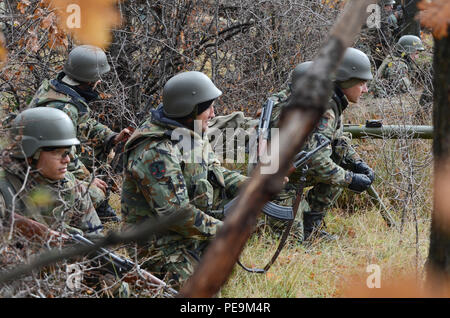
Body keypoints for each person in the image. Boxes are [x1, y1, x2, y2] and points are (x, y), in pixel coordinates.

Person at [120, 71, 248, 289]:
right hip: (156, 244)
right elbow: (176, 214)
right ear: (189, 110)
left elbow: (214, 172)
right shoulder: (156, 150)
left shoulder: (190, 132)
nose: (213, 113)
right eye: (207, 107)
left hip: (186, 234)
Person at [270, 48, 375, 242]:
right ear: (347, 80)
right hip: (276, 177)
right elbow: (317, 161)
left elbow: (337, 142)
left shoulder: (332, 101)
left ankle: (312, 227)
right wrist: (351, 179)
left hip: (294, 168)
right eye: (362, 83)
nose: (365, 89)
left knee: (341, 163)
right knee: (291, 245)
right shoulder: (324, 107)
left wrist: (358, 164)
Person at [27, 45, 131, 222]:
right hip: (40, 172)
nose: (100, 81)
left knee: (96, 153)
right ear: (91, 80)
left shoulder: (59, 89)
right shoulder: (64, 109)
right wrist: (89, 180)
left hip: (42, 162)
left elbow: (85, 123)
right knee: (95, 192)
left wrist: (111, 136)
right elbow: (64, 155)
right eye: (98, 78)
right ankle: (91, 210)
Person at [0, 107, 103, 239]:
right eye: (58, 153)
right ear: (31, 154)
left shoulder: (70, 185)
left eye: (67, 152)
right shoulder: (4, 188)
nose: (67, 160)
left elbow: (94, 237)